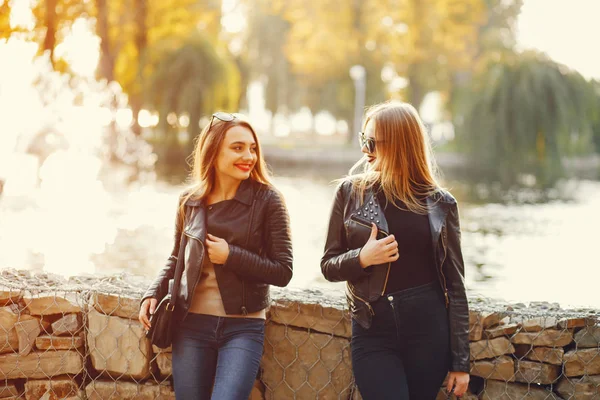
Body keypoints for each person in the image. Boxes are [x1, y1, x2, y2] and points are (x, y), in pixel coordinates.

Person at [139, 112, 293, 400]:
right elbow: (177, 257)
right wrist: (152, 292)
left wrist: (231, 255)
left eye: (252, 148)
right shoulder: (189, 201)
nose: (249, 155)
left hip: (243, 327)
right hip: (191, 325)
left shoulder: (269, 200)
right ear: (213, 150)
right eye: (237, 148)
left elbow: (283, 270)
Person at [320, 101, 470, 399]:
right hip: (373, 332)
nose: (365, 150)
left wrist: (460, 362)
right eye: (364, 139)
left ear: (400, 144)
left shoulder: (441, 203)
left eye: (371, 142)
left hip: (429, 335)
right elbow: (328, 264)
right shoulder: (350, 193)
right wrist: (362, 258)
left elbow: (455, 285)